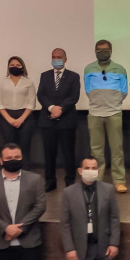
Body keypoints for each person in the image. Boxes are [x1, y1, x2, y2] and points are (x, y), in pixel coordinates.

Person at [85, 39, 128, 193]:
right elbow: (88, 91)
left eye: (105, 50)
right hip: (95, 113)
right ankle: (96, 181)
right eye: (99, 50)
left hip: (114, 113)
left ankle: (119, 181)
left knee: (117, 149)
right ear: (95, 51)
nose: (102, 52)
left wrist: (112, 103)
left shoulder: (120, 69)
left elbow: (124, 92)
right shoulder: (89, 69)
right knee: (96, 150)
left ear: (111, 51)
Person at [37, 48, 81, 192]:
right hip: (48, 120)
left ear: (65, 59)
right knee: (49, 153)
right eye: (54, 57)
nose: (56, 59)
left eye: (59, 57)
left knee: (69, 154)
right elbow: (41, 95)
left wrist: (60, 109)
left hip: (66, 120)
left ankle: (70, 181)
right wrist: (51, 108)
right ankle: (50, 181)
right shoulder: (44, 75)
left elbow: (74, 96)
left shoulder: (73, 76)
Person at [0, 56, 37, 169]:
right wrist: (10, 119)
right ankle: (9, 171)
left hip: (25, 117)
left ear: (22, 67)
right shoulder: (1, 81)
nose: (15, 67)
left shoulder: (28, 81)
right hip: (7, 116)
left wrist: (21, 119)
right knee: (9, 148)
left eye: (18, 65)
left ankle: (25, 173)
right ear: (8, 67)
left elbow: (32, 103)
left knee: (24, 148)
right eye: (12, 65)